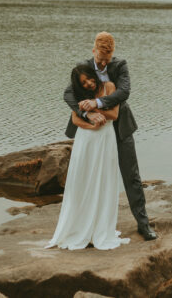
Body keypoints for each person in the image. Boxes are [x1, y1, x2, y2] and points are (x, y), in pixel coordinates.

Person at [62, 32, 157, 241]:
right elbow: (68, 94)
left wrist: (97, 103)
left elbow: (124, 92)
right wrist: (86, 113)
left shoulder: (120, 65)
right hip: (92, 130)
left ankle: (144, 225)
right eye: (100, 59)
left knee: (131, 176)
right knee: (89, 176)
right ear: (93, 50)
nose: (104, 64)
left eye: (107, 59)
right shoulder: (83, 68)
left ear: (112, 54)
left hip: (120, 127)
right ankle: (87, 225)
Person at [45, 65, 130, 250]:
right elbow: (76, 120)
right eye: (84, 82)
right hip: (86, 139)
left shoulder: (109, 87)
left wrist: (94, 108)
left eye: (90, 79)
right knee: (82, 181)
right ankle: (79, 227)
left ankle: (100, 228)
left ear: (95, 75)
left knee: (104, 180)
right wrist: (90, 121)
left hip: (106, 139)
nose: (89, 84)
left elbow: (114, 115)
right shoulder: (79, 95)